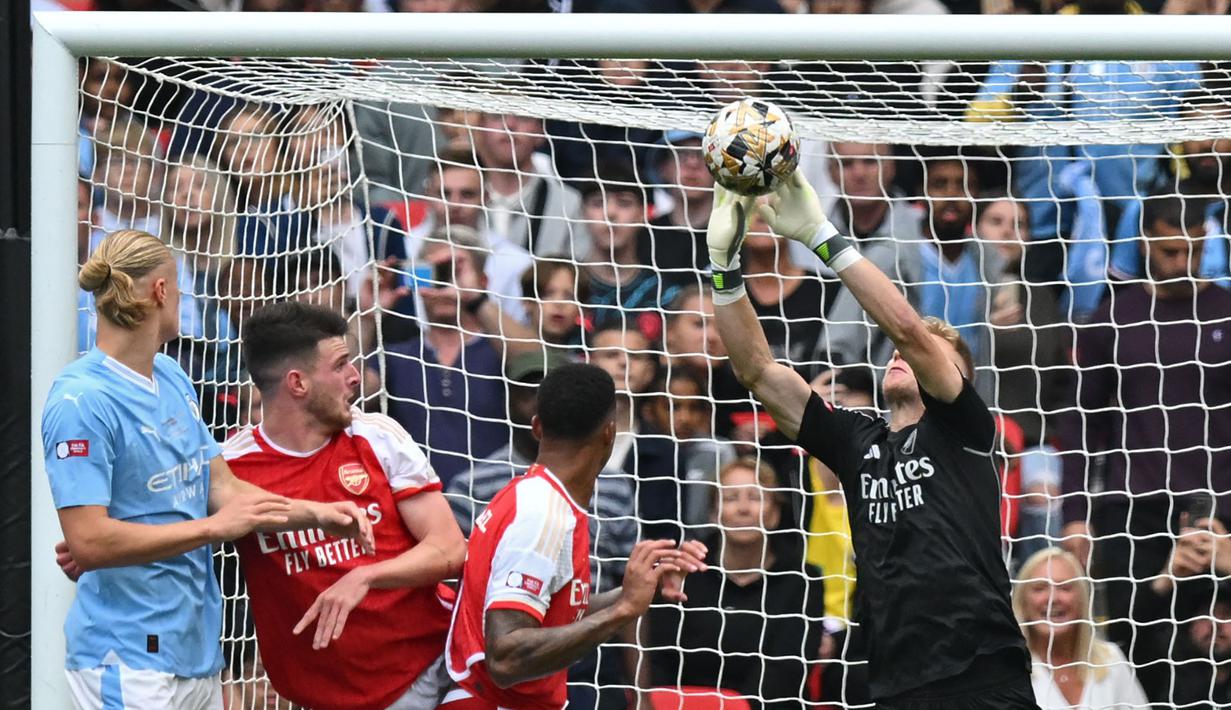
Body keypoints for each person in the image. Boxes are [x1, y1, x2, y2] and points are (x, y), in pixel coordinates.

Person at [706, 173, 1036, 707]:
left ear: (957, 381)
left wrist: (818, 233)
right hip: (891, 683)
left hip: (981, 679)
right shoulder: (858, 439)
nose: (903, 353)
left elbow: (907, 329)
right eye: (901, 354)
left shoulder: (965, 428)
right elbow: (759, 372)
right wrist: (724, 267)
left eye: (932, 353)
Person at [44, 230, 373, 710]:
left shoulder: (173, 376)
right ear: (160, 292)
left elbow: (221, 486)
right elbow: (88, 543)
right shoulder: (81, 400)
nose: (180, 299)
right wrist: (213, 529)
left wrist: (317, 514)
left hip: (195, 652)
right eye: (176, 288)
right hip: (127, 660)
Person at [221, 301, 467, 710]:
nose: (355, 377)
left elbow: (450, 549)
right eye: (340, 365)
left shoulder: (377, 436)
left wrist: (365, 577)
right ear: (298, 383)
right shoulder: (231, 468)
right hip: (317, 695)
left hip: (422, 672)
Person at [441, 363, 706, 710]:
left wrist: (634, 592)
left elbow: (556, 613)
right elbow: (505, 658)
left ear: (537, 427)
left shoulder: (541, 497)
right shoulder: (541, 514)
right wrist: (622, 611)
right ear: (609, 433)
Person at [1058, 192, 1231, 703]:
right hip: (1131, 510)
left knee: (1216, 644)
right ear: (1146, 242)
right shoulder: (1114, 317)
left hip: (1219, 507)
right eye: (1170, 252)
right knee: (1136, 641)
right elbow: (1083, 423)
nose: (1183, 263)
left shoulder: (1226, 310)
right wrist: (1075, 513)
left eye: (1194, 251)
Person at [643, 458, 825, 709]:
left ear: (775, 514)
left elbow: (785, 673)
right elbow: (658, 663)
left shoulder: (803, 580)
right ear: (713, 513)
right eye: (730, 498)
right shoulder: (683, 573)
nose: (743, 508)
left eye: (755, 497)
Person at [381, 227, 510, 487]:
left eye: (455, 272)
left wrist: (476, 299)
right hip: (417, 510)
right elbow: (347, 391)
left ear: (483, 281)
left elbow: (537, 367)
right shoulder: (396, 355)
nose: (445, 284)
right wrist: (367, 314)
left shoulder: (503, 350)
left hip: (495, 506)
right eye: (436, 273)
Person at [823, 141, 923, 367]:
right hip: (829, 380)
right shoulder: (807, 237)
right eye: (846, 164)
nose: (859, 173)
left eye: (870, 162)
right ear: (830, 172)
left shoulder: (924, 230)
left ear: (891, 168)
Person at [1013, 548, 1147, 709]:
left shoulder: (1110, 658)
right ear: (1023, 603)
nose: (1053, 599)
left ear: (1082, 600)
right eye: (1040, 588)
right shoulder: (1006, 670)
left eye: (1065, 587)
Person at [473, 112, 583, 258]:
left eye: (523, 116)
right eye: (497, 115)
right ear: (480, 128)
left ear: (540, 130)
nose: (510, 125)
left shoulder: (569, 206)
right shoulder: (455, 198)